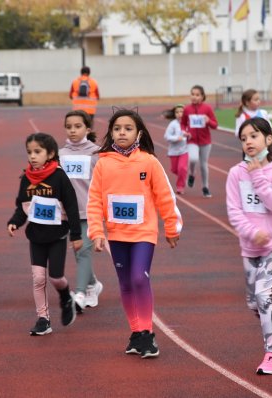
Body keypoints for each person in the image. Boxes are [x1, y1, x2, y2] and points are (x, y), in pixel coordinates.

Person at [87, 109, 182, 358]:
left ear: (138, 133)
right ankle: (136, 332)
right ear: (110, 132)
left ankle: (148, 333)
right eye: (117, 128)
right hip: (117, 234)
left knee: (139, 278)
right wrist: (96, 231)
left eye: (128, 128)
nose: (122, 132)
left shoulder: (149, 162)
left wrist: (171, 227)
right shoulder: (103, 163)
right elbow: (94, 200)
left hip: (144, 233)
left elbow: (164, 197)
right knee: (126, 283)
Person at [225, 117, 272, 376]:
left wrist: (257, 175)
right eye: (243, 139)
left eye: (253, 136)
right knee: (254, 303)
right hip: (249, 246)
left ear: (268, 139)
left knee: (264, 297)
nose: (248, 142)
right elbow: (234, 211)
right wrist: (253, 233)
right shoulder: (235, 174)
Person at [7, 132, 82, 335]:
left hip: (57, 235)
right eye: (29, 152)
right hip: (36, 236)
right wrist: (14, 222)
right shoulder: (26, 179)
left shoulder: (59, 176)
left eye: (37, 152)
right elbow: (21, 207)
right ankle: (43, 319)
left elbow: (72, 206)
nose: (32, 156)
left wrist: (76, 235)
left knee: (56, 278)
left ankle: (66, 296)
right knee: (38, 278)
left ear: (50, 153)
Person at [58, 110, 103, 312]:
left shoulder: (97, 153)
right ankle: (93, 284)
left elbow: (105, 183)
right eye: (69, 127)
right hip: (66, 213)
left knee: (83, 250)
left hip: (88, 210)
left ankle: (80, 293)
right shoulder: (60, 154)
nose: (73, 130)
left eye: (77, 126)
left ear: (87, 128)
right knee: (78, 253)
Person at [180, 85, 218, 198]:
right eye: (192, 94)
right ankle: (192, 174)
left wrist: (208, 121)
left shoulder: (207, 108)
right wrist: (184, 131)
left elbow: (215, 125)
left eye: (197, 95)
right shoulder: (187, 109)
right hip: (192, 140)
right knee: (192, 158)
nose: (194, 97)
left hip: (205, 141)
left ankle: (205, 187)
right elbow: (183, 123)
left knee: (203, 165)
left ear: (202, 96)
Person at [163, 104, 190, 194]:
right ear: (174, 114)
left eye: (181, 112)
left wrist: (189, 135)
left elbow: (192, 134)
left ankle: (180, 186)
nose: (179, 114)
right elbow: (166, 136)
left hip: (184, 150)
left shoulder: (188, 123)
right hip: (173, 151)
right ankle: (183, 176)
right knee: (175, 170)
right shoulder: (173, 124)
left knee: (182, 168)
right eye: (177, 112)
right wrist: (176, 138)